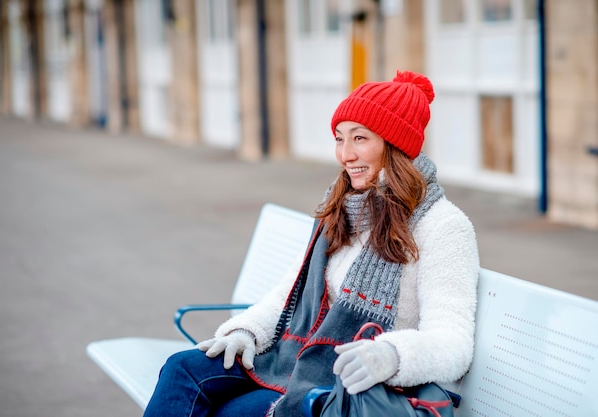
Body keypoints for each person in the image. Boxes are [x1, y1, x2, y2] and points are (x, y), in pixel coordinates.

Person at [143, 70, 479, 417]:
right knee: (182, 369)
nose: (345, 155)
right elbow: (288, 292)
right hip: (293, 356)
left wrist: (390, 354)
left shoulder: (442, 226)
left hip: (345, 384)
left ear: (395, 145)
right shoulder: (342, 209)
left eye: (360, 138)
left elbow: (453, 344)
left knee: (229, 411)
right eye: (339, 138)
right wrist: (246, 331)